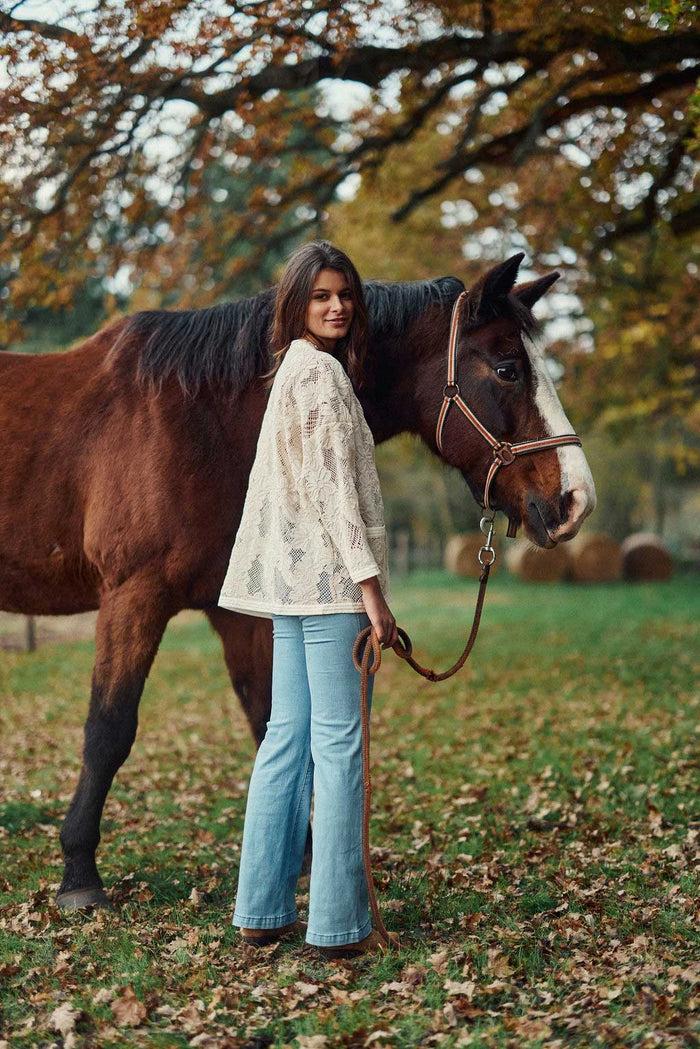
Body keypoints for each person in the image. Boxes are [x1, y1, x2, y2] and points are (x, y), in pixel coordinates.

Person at [217, 240, 400, 959]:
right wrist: (371, 589)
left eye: (344, 295)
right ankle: (337, 927)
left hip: (292, 589)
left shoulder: (291, 370)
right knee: (338, 744)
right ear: (297, 303)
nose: (335, 306)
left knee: (285, 742)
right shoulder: (319, 376)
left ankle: (261, 912)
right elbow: (333, 495)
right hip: (327, 588)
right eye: (321, 296)